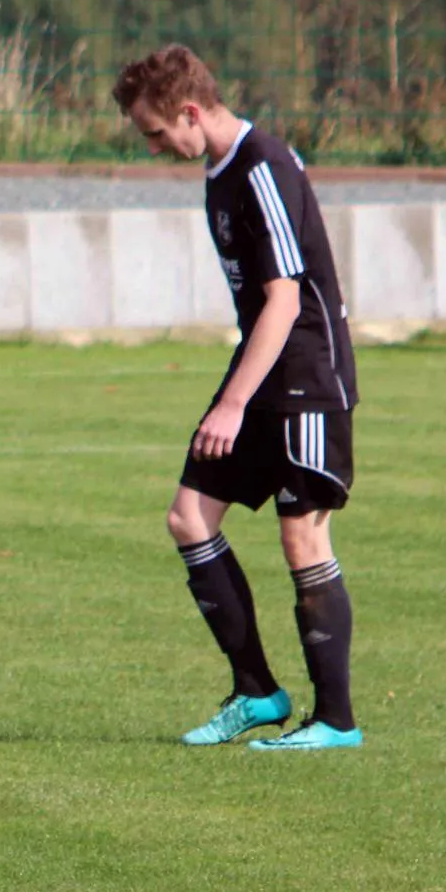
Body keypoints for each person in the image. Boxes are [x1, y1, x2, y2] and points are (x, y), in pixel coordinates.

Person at [111, 44, 361, 751]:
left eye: (157, 132)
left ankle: (335, 721)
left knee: (302, 535)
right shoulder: (219, 171)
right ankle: (256, 691)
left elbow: (285, 299)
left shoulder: (263, 167)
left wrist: (231, 404)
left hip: (306, 376)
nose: (154, 147)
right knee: (189, 516)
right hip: (261, 373)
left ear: (190, 112)